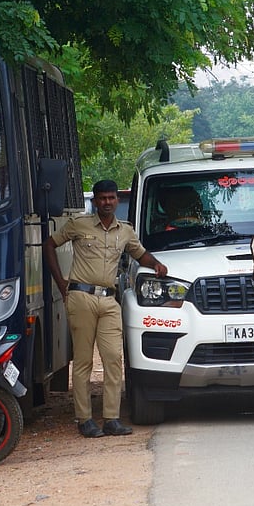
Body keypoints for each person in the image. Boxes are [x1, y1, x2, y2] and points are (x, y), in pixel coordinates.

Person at [43, 179, 167, 438]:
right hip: (81, 297)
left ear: (117, 201)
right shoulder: (79, 224)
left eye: (111, 198)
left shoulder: (126, 231)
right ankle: (84, 419)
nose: (107, 202)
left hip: (110, 300)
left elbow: (139, 254)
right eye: (102, 198)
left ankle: (111, 418)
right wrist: (60, 281)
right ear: (95, 201)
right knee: (83, 361)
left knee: (113, 358)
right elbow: (49, 245)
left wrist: (157, 265)